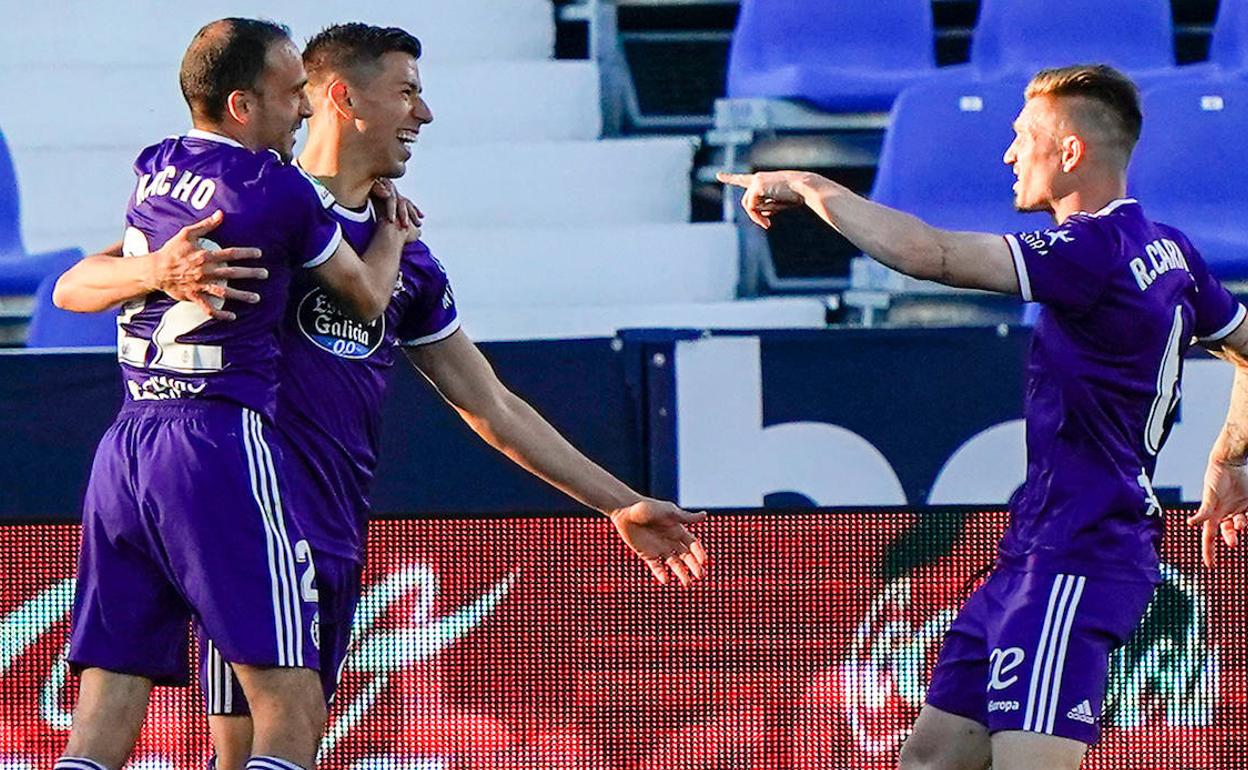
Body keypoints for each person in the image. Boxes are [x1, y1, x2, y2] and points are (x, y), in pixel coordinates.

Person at [56, 21, 710, 769]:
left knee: (269, 735)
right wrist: (154, 274)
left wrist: (617, 501)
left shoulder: (404, 257)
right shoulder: (253, 207)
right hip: (246, 509)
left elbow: (491, 406)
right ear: (341, 99)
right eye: (407, 94)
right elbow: (84, 280)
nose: (423, 115)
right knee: (256, 743)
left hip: (328, 530)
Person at [721, 64, 1248, 770]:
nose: (1008, 154)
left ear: (1069, 153)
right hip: (1033, 555)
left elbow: (926, 253)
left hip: (1079, 558)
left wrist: (809, 184)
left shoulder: (1089, 251)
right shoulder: (1169, 249)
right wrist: (1230, 455)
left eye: (1023, 135)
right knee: (928, 761)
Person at [50, 18, 416, 770]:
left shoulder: (155, 169)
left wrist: (153, 272)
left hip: (124, 449)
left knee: (106, 705)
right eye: (290, 95)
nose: (306, 111)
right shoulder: (277, 189)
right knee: (290, 704)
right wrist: (393, 233)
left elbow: (69, 287)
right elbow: (370, 297)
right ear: (243, 105)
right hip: (216, 445)